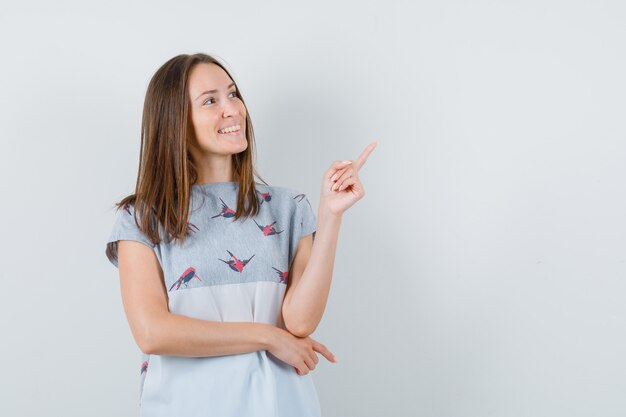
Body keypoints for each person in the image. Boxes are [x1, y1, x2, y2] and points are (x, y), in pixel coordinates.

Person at [104, 53, 377, 417]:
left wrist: (330, 215)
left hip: (280, 404)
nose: (232, 109)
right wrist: (267, 337)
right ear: (175, 122)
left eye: (233, 94)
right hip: (186, 405)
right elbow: (153, 332)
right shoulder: (142, 218)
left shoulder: (288, 207)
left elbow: (299, 321)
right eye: (210, 101)